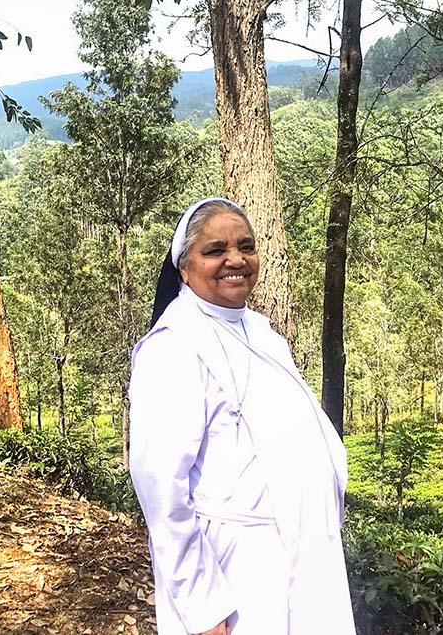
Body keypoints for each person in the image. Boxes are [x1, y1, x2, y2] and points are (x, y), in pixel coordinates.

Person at [129, 197, 356, 635]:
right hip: (236, 570)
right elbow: (162, 490)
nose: (235, 259)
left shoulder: (262, 332)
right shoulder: (172, 348)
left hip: (301, 551)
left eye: (245, 246)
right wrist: (203, 606)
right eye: (215, 250)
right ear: (184, 266)